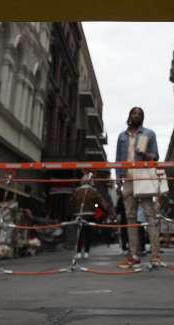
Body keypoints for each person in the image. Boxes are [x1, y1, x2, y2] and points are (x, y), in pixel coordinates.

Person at [115, 106, 161, 268]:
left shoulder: (149, 134)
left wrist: (146, 155)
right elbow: (119, 159)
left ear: (143, 117)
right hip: (127, 179)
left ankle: (155, 256)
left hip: (143, 177)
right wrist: (118, 178)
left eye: (140, 114)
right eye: (134, 113)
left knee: (150, 216)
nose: (137, 115)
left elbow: (156, 156)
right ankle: (133, 255)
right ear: (129, 116)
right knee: (130, 218)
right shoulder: (121, 136)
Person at [69, 172, 108, 260]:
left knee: (80, 234)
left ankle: (78, 252)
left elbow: (71, 202)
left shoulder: (76, 191)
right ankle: (86, 252)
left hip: (79, 214)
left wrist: (74, 211)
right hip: (90, 215)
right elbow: (98, 203)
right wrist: (95, 207)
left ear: (82, 181)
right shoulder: (93, 191)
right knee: (88, 234)